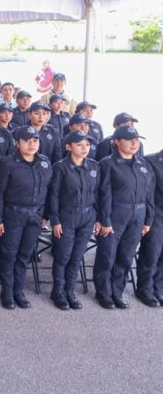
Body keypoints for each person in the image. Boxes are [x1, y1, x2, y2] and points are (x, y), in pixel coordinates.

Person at [93, 126, 155, 309]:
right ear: (117, 142)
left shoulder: (143, 165)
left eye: (136, 139)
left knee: (126, 257)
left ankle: (117, 292)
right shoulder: (107, 164)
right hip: (115, 213)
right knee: (107, 255)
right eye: (129, 139)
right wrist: (104, 220)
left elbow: (149, 194)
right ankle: (104, 293)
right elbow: (103, 194)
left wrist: (148, 220)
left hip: (138, 215)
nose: (134, 143)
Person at [0, 126, 52, 309]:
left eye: (35, 140)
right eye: (27, 141)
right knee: (9, 254)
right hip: (13, 214)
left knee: (25, 254)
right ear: (18, 143)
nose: (31, 144)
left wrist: (46, 214)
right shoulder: (8, 163)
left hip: (35, 216)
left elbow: (48, 190)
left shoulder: (44, 162)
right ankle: (7, 292)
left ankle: (18, 290)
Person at [48, 131, 100, 310]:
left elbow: (98, 194)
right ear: (68, 147)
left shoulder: (94, 166)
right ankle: (58, 291)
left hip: (87, 216)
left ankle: (70, 290)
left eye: (87, 144)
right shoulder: (60, 167)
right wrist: (54, 220)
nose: (84, 148)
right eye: (79, 144)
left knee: (77, 256)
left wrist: (98, 217)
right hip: (66, 216)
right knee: (63, 255)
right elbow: (53, 195)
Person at [136, 146, 163, 307]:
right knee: (151, 253)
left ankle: (157, 288)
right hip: (157, 213)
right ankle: (144, 289)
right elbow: (148, 192)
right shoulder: (151, 161)